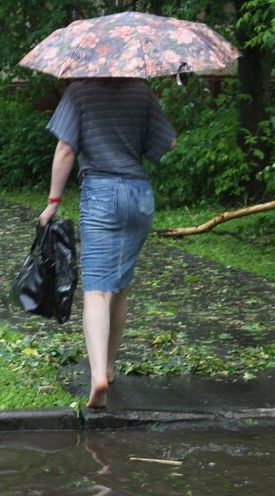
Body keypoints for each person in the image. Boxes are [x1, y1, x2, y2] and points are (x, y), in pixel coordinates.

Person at [38, 78, 177, 409]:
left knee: (97, 290)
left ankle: (97, 374)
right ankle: (110, 367)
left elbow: (66, 149)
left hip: (101, 194)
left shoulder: (79, 93)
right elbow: (169, 143)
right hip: (139, 196)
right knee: (120, 285)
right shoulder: (141, 92)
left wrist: (53, 201)